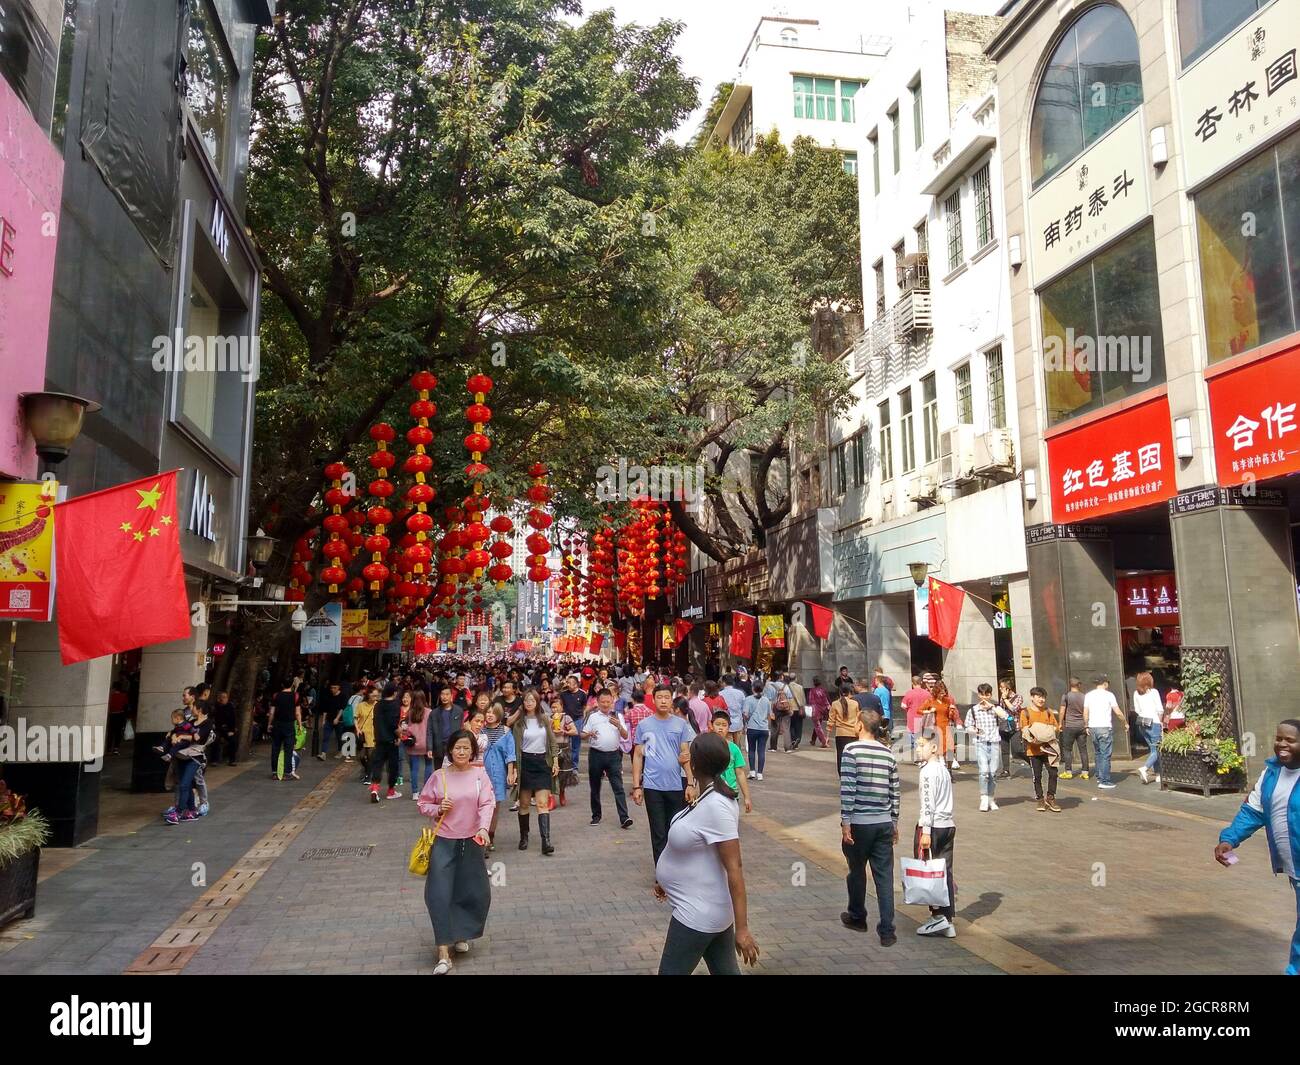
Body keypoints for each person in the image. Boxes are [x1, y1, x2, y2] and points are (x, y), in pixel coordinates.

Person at [653, 732, 760, 975]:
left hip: (698, 913)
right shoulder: (708, 794)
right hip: (707, 907)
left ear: (696, 762)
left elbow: (735, 867)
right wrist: (668, 882)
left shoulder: (717, 806)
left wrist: (742, 929)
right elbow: (700, 851)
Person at [1214, 720, 1300, 976]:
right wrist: (1229, 839)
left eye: (1291, 740)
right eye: (1279, 738)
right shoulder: (1271, 774)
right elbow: (1253, 811)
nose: (1282, 744)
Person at [417, 729, 495, 975]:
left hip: (472, 841)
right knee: (438, 894)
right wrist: (438, 809)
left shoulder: (480, 775)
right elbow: (423, 803)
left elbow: (487, 803)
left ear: (473, 751)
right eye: (457, 747)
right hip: (444, 841)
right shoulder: (439, 777)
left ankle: (461, 932)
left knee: (474, 892)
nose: (462, 752)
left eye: (466, 748)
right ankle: (443, 953)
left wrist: (483, 829)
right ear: (450, 750)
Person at [839, 707, 900, 945]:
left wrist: (846, 821)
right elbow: (895, 791)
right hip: (883, 822)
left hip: (859, 822)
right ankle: (887, 930)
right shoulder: (888, 753)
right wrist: (894, 821)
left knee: (856, 870)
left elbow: (849, 788)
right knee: (884, 878)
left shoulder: (851, 750)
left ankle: (857, 915)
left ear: (860, 726)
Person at [633, 684, 696, 866]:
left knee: (675, 831)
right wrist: (637, 786)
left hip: (676, 786)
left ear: (671, 700)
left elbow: (685, 756)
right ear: (653, 700)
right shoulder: (644, 725)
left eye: (666, 697)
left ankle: (674, 870)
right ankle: (661, 873)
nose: (663, 700)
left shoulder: (680, 724)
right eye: (659, 697)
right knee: (658, 832)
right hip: (652, 787)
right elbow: (637, 755)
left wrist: (690, 784)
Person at [914, 734, 957, 938]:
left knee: (931, 871)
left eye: (921, 745)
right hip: (948, 824)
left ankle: (938, 915)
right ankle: (947, 918)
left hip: (934, 826)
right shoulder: (943, 769)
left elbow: (927, 804)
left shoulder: (928, 771)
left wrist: (926, 831)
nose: (917, 749)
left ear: (934, 748)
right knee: (945, 871)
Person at [511, 689, 558, 855]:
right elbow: (514, 748)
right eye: (526, 700)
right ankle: (524, 836)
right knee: (524, 804)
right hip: (525, 763)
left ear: (538, 702)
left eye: (532, 700)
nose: (529, 703)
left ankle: (546, 841)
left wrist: (555, 762)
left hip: (542, 763)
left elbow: (552, 742)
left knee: (542, 804)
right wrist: (514, 769)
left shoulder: (544, 719)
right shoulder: (519, 723)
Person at [583, 689, 633, 828]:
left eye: (608, 702)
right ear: (597, 702)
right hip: (596, 754)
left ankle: (624, 817)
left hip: (613, 755)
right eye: (602, 702)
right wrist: (589, 734)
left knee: (618, 787)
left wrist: (618, 725)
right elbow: (582, 734)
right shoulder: (592, 716)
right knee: (595, 786)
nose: (605, 704)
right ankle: (596, 815)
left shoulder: (618, 715)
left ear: (612, 702)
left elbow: (625, 736)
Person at [964, 684, 1007, 812]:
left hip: (994, 742)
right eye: (982, 694)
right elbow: (968, 726)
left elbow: (1005, 716)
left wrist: (993, 706)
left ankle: (991, 798)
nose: (984, 697)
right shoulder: (973, 710)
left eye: (987, 694)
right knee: (984, 772)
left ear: (990, 695)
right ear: (979, 695)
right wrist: (975, 730)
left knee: (993, 773)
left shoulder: (995, 708)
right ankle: (983, 798)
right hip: (980, 743)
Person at [480, 704, 516, 850]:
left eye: (493, 713)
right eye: (487, 712)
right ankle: (480, 836)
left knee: (495, 807)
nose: (489, 715)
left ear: (499, 715)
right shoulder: (479, 730)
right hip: (481, 775)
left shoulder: (506, 732)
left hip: (498, 774)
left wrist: (511, 772)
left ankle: (491, 836)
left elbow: (510, 754)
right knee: (481, 806)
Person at [1020, 686, 1062, 813]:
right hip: (1033, 750)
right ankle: (1040, 799)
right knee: (1037, 776)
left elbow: (1056, 728)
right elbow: (1024, 729)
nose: (1041, 699)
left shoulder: (1048, 712)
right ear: (1032, 697)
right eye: (1038, 696)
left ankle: (1051, 797)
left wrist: (1044, 731)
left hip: (1049, 749)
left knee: (1053, 773)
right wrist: (1038, 733)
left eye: (1043, 697)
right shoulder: (1025, 712)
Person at [1084, 676, 1123, 789]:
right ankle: (1104, 780)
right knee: (1105, 755)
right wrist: (1125, 722)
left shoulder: (1089, 695)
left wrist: (1086, 725)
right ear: (1105, 684)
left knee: (1098, 753)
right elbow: (1118, 712)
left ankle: (1099, 776)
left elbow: (1085, 712)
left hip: (1093, 727)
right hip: (1105, 727)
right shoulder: (1109, 695)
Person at [369, 684, 402, 803]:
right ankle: (391, 790)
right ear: (394, 693)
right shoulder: (395, 705)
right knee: (392, 766)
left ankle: (374, 788)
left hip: (379, 739)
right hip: (391, 741)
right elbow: (394, 724)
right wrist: (400, 735)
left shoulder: (377, 705)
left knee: (377, 764)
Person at [402, 692, 436, 800]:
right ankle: (425, 790)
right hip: (427, 744)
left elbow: (405, 727)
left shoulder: (410, 713)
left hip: (413, 744)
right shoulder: (429, 712)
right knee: (429, 766)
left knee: (414, 769)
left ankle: (415, 792)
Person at [921, 680, 961, 771]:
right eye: (940, 692)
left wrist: (956, 719)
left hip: (947, 725)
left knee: (950, 748)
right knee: (939, 746)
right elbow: (921, 710)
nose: (943, 694)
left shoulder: (949, 699)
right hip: (936, 726)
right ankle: (942, 765)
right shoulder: (931, 700)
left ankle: (950, 768)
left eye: (944, 691)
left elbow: (954, 712)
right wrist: (929, 711)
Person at [1134, 672, 1164, 786]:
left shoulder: (1136, 693)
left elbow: (1137, 709)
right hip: (1154, 723)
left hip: (1142, 723)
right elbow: (1160, 709)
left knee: (1153, 750)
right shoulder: (1154, 692)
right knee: (1157, 749)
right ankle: (1145, 768)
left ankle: (1158, 775)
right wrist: (1160, 720)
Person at [269, 679, 301, 782]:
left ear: (282, 685)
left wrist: (269, 724)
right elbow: (297, 713)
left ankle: (274, 772)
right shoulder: (295, 696)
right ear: (291, 684)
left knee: (275, 748)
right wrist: (300, 725)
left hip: (277, 724)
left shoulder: (276, 696)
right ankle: (287, 773)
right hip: (289, 725)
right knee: (288, 749)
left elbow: (272, 712)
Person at [1057, 678, 1089, 780]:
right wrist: (1086, 724)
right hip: (1082, 726)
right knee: (1083, 750)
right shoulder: (1084, 697)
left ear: (1070, 685)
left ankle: (1068, 772)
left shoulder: (1066, 696)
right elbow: (1086, 711)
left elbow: (1062, 711)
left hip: (1070, 726)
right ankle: (1085, 772)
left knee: (1067, 750)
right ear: (1079, 685)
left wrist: (1060, 723)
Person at [827, 684, 862, 776]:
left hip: (840, 734)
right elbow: (859, 718)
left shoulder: (835, 704)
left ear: (839, 692)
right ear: (849, 692)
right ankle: (853, 773)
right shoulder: (855, 703)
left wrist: (827, 736)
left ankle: (842, 775)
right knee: (854, 755)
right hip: (853, 733)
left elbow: (831, 720)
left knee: (841, 756)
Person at [741, 681, 772, 782]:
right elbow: (769, 715)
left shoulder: (748, 699)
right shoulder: (766, 700)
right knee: (761, 751)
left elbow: (745, 714)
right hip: (764, 728)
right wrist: (768, 727)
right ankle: (760, 774)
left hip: (752, 727)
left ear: (753, 688)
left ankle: (752, 771)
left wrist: (745, 723)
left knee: (751, 750)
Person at [997, 679, 1023, 779]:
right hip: (1004, 726)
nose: (1000, 689)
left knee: (1017, 749)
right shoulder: (1002, 698)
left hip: (1014, 727)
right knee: (1004, 750)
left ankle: (1031, 763)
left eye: (1002, 687)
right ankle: (1006, 770)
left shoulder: (1018, 697)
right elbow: (1001, 710)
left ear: (1008, 689)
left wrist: (1005, 699)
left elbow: (1013, 709)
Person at [901, 676, 930, 764]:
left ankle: (919, 757)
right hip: (924, 718)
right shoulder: (927, 694)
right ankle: (924, 756)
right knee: (924, 737)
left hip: (912, 718)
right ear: (921, 682)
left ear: (912, 683)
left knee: (914, 739)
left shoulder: (909, 693)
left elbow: (903, 705)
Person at [354, 684, 377, 781]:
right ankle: (368, 770)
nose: (375, 698)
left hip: (373, 734)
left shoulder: (378, 705)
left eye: (376, 696)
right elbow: (355, 717)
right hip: (362, 734)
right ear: (368, 695)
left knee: (370, 756)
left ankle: (368, 776)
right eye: (373, 696)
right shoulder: (361, 705)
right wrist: (357, 729)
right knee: (361, 756)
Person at [720, 674, 747, 750]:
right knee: (737, 745)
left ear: (724, 682)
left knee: (727, 746)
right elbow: (743, 709)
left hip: (726, 722)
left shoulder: (720, 694)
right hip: (738, 722)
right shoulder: (740, 693)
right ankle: (738, 760)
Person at [213, 690, 239, 766]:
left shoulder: (230, 707)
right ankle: (215, 760)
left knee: (233, 740)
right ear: (219, 699)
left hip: (228, 729)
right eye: (223, 697)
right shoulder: (216, 706)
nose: (224, 699)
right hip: (218, 728)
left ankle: (232, 760)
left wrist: (231, 730)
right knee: (215, 739)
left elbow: (233, 719)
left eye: (226, 697)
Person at [808, 677, 830, 749]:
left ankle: (824, 741)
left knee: (817, 726)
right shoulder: (823, 690)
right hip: (822, 710)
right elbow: (826, 700)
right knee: (818, 725)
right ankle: (813, 740)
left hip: (815, 710)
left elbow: (811, 701)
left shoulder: (812, 691)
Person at [786, 673, 807, 750]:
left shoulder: (786, 687)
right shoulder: (800, 687)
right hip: (798, 709)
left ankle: (793, 739)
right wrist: (803, 706)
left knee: (791, 726)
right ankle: (798, 739)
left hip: (789, 709)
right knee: (798, 725)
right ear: (796, 678)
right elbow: (803, 699)